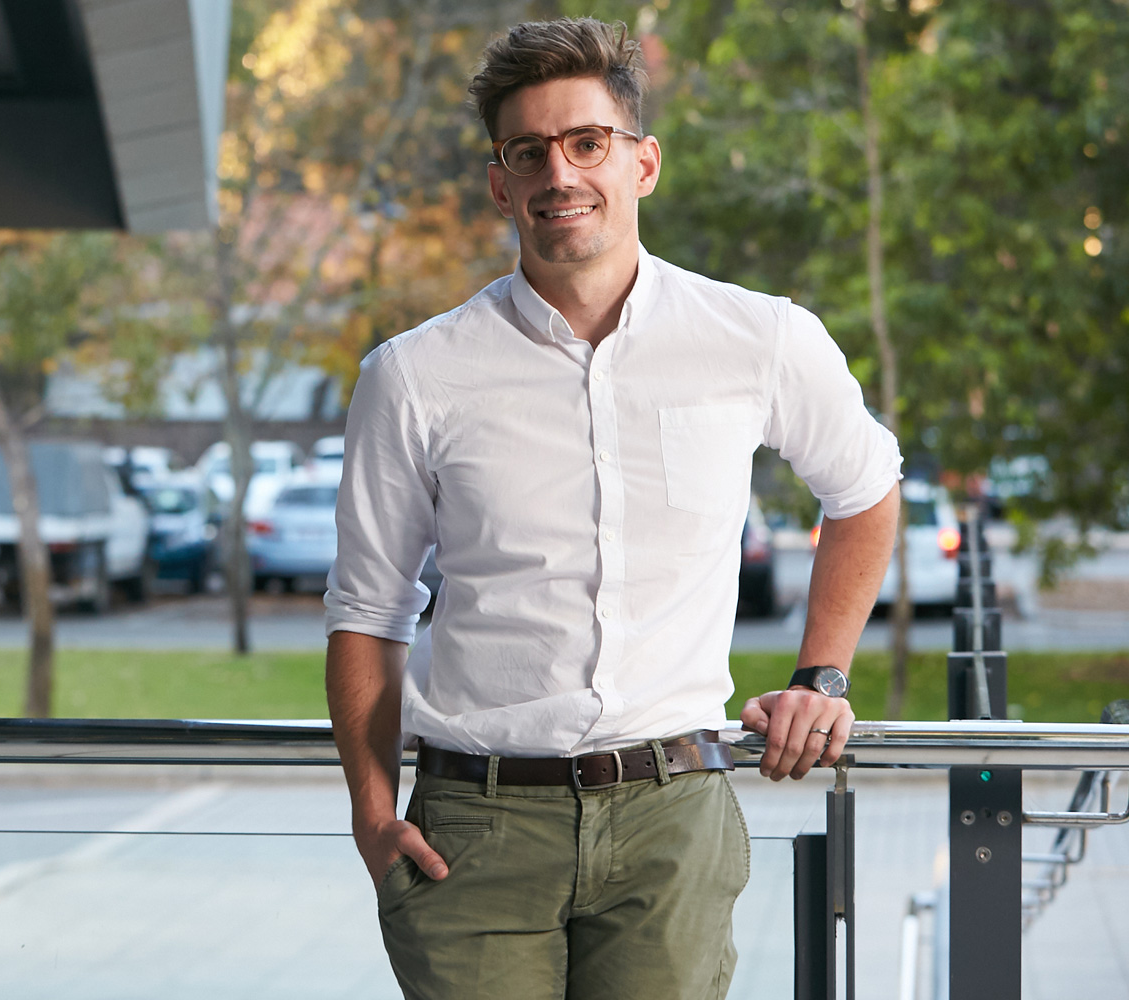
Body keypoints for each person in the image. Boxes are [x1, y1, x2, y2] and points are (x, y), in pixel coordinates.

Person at [323, 17, 902, 1000]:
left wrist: (821, 674)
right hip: (474, 829)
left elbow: (865, 489)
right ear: (500, 185)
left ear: (643, 163)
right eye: (528, 152)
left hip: (671, 819)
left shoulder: (758, 338)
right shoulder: (413, 376)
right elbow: (367, 611)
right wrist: (371, 816)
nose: (559, 173)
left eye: (586, 142)